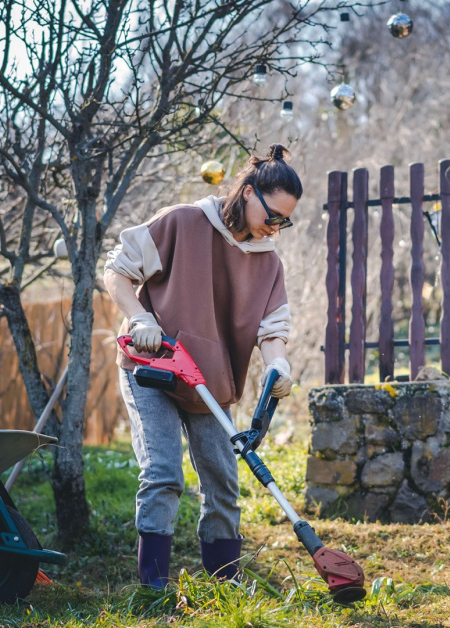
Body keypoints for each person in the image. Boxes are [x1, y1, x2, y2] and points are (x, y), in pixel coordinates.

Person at [103, 143, 302, 589]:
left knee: (223, 482)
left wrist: (280, 368)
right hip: (151, 367)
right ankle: (153, 588)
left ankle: (224, 585)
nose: (277, 227)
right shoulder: (183, 222)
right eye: (273, 215)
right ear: (249, 193)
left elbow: (273, 331)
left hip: (210, 381)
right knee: (163, 473)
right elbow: (117, 272)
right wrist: (139, 317)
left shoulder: (267, 261)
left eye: (285, 221)